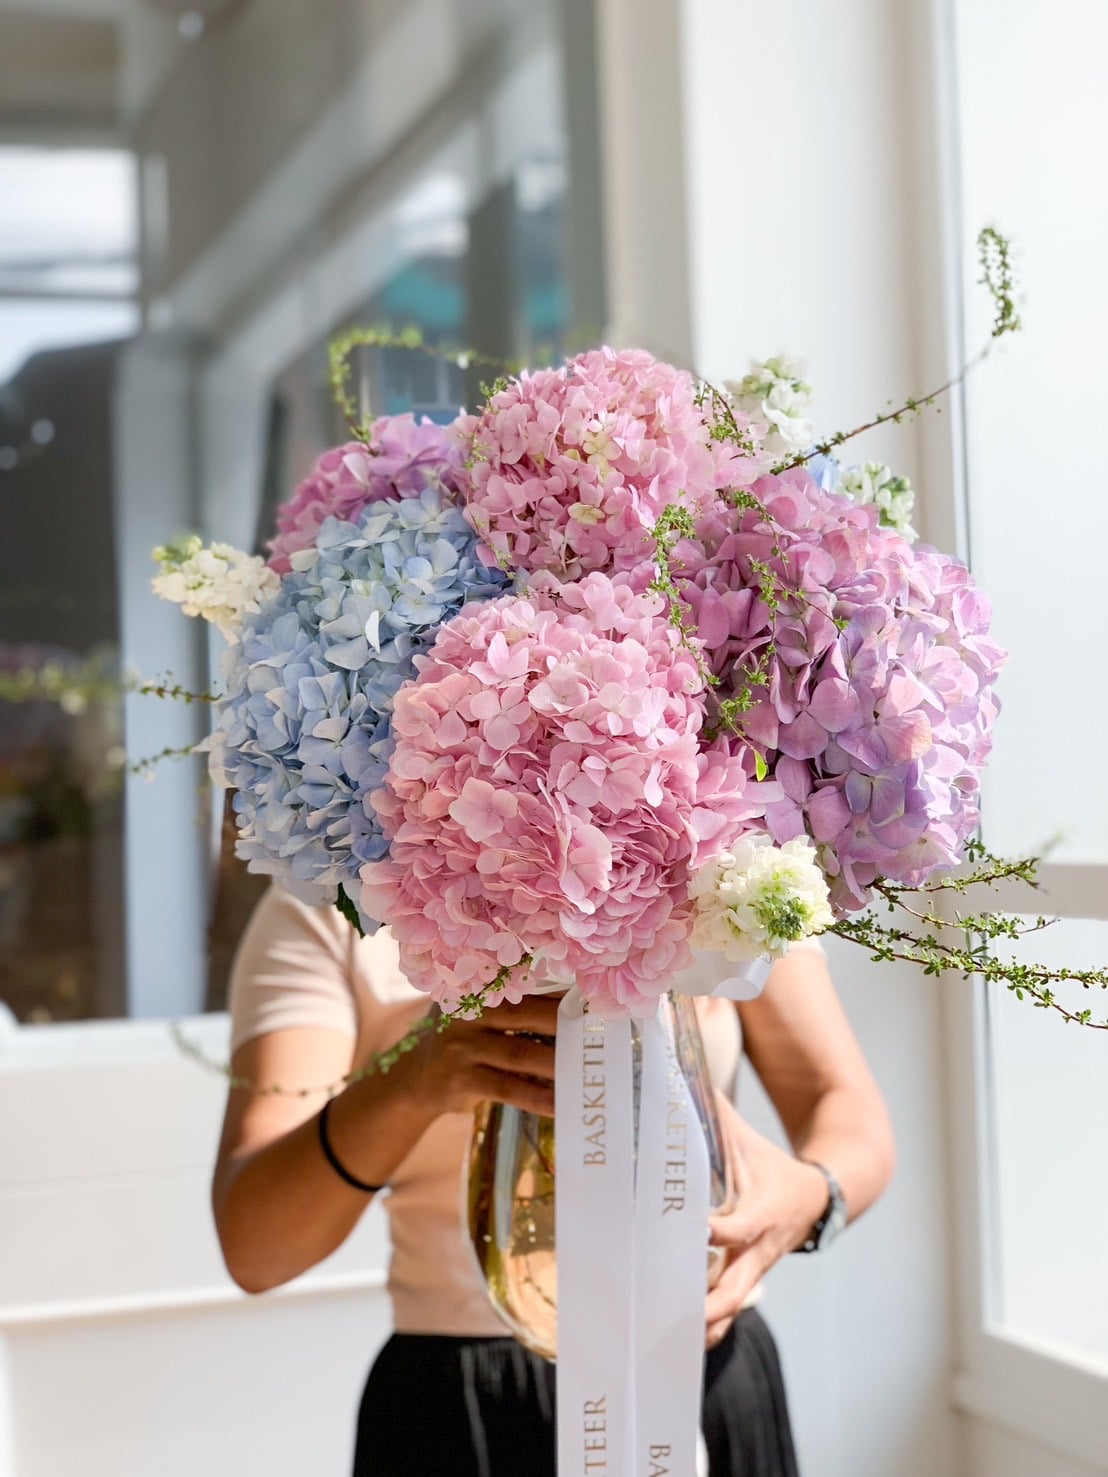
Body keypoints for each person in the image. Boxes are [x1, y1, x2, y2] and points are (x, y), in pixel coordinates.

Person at [213, 884, 895, 1477]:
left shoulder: (715, 867)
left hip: (700, 1375)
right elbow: (257, 1246)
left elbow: (850, 1115)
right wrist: (411, 1079)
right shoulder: (337, 907)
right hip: (466, 1405)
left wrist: (805, 1200)